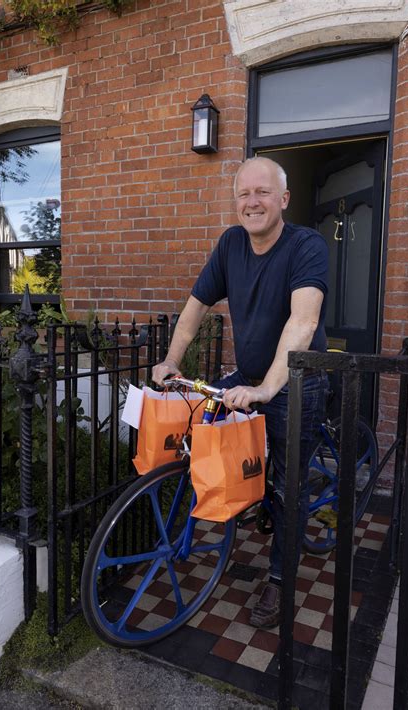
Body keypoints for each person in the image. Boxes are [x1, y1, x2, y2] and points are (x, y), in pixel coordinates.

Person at [152, 156, 328, 629]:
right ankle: (244, 494)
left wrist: (269, 386)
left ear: (284, 199)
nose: (252, 202)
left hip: (297, 382)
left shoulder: (305, 246)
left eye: (263, 192)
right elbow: (194, 310)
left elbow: (303, 320)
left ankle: (278, 578)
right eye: (244, 193)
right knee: (198, 423)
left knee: (289, 488)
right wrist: (172, 361)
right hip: (250, 378)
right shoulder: (231, 244)